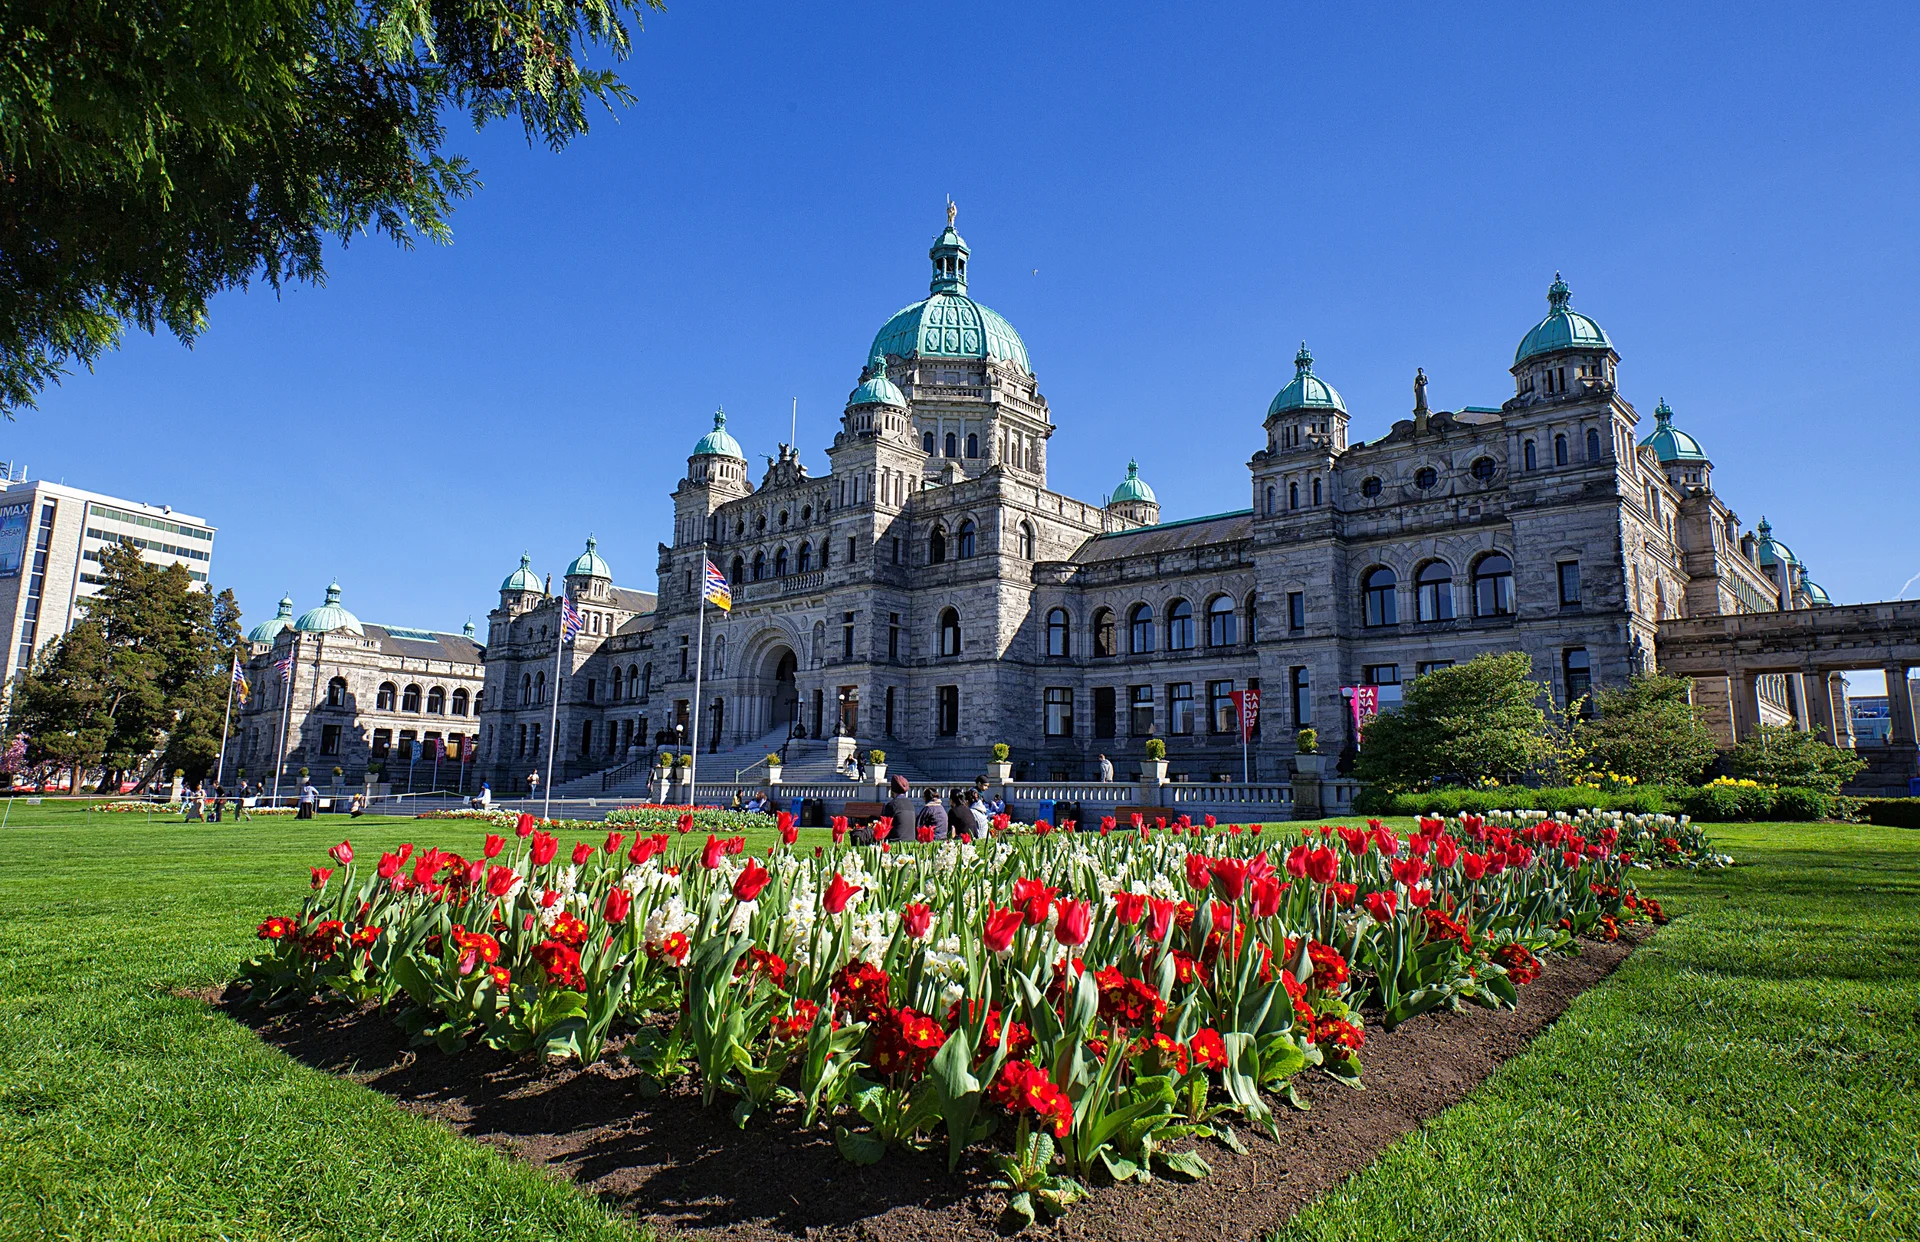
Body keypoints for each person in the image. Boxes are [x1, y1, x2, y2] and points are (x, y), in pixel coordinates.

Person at [881, 774, 919, 844]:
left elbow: (884, 827)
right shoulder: (911, 805)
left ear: (892, 789)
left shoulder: (892, 805)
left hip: (895, 841)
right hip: (910, 841)